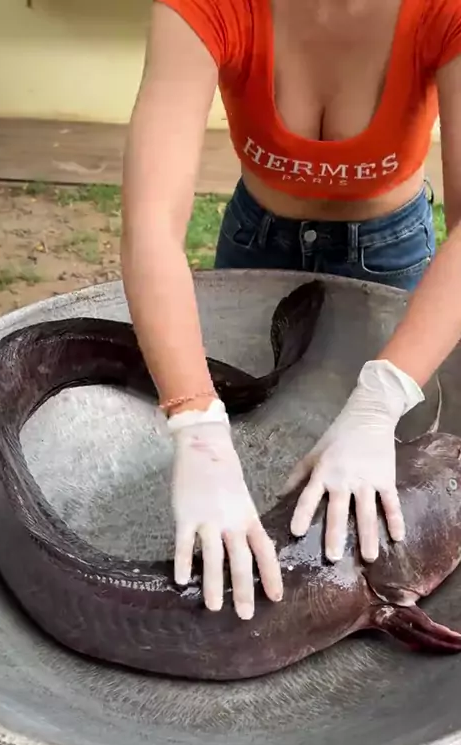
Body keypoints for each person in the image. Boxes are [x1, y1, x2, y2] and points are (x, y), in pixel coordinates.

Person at [121, 0, 461, 621]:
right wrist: (195, 425)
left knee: (391, 473)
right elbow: (150, 228)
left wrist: (381, 398)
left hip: (390, 251)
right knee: (252, 432)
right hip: (258, 241)